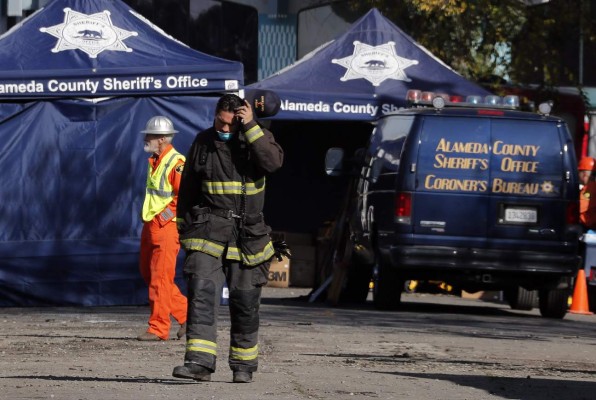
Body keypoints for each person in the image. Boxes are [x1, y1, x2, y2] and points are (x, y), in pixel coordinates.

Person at [172, 94, 283, 383]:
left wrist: (251, 128)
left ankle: (243, 365)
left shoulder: (259, 140)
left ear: (241, 119)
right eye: (218, 121)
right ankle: (199, 363)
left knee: (245, 301)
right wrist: (183, 226)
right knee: (202, 293)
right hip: (208, 230)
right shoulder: (203, 142)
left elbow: (272, 164)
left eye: (228, 124)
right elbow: (188, 187)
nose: (222, 127)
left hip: (248, 236)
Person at [137, 116, 188, 341]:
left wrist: (163, 218)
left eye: (149, 135)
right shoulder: (155, 160)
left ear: (162, 139)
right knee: (150, 274)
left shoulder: (176, 163)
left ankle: (158, 328)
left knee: (160, 278)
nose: (146, 139)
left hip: (166, 227)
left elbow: (184, 198)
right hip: (152, 225)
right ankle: (189, 317)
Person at [578, 156, 596, 230]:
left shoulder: (590, 189)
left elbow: (578, 206)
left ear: (584, 174)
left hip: (587, 227)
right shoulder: (591, 187)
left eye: (579, 172)